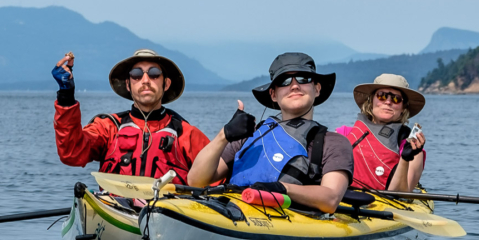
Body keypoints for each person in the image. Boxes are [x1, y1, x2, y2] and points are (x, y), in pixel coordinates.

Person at [187, 52, 353, 213]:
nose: (294, 85)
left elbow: (331, 199)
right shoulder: (248, 138)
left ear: (317, 89)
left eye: (303, 78)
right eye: (284, 81)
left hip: (286, 221)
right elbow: (196, 180)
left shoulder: (333, 143)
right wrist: (224, 135)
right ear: (273, 94)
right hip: (233, 210)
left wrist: (282, 188)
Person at [52, 49, 210, 185]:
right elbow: (71, 154)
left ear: (166, 84)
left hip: (169, 215)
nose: (146, 80)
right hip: (114, 214)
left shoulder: (187, 134)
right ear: (128, 85)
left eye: (154, 74)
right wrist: (66, 96)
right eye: (137, 74)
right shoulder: (108, 128)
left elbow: (218, 176)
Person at [335, 74, 426, 193]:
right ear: (371, 100)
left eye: (396, 99)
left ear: (403, 107)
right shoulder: (343, 134)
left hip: (383, 205)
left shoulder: (412, 147)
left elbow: (402, 195)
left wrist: (405, 159)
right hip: (343, 198)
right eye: (382, 96)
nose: (388, 102)